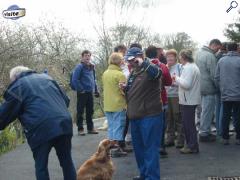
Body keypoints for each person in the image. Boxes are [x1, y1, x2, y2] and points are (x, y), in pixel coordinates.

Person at [0, 66, 76, 180]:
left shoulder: (18, 86)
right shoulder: (47, 78)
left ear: (15, 78)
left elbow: (5, 113)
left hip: (40, 128)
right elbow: (66, 100)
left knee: (41, 166)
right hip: (63, 122)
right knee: (67, 162)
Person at [124, 47, 163, 180]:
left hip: (150, 116)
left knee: (150, 149)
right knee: (139, 150)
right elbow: (133, 91)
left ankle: (152, 177)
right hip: (135, 116)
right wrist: (125, 88)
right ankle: (144, 174)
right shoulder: (133, 72)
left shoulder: (150, 68)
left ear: (139, 56)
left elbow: (158, 74)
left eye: (132, 60)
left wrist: (143, 62)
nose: (130, 63)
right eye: (128, 60)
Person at [145, 45, 172, 157]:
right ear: (157, 54)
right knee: (161, 125)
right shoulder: (162, 66)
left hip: (146, 101)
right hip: (161, 100)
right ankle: (161, 146)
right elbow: (169, 82)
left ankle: (150, 147)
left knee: (147, 125)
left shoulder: (141, 67)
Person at [172, 49, 201, 154]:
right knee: (189, 124)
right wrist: (176, 82)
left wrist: (176, 78)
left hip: (188, 100)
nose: (179, 59)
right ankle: (192, 145)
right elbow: (187, 84)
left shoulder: (188, 68)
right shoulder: (193, 67)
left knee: (188, 125)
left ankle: (191, 146)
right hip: (190, 99)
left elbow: (187, 85)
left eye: (180, 57)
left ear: (183, 57)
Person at [195, 39, 222, 142]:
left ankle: (205, 130)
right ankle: (204, 133)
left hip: (200, 86)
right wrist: (218, 87)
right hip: (209, 87)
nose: (218, 51)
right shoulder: (210, 56)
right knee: (208, 111)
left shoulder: (199, 53)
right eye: (218, 48)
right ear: (214, 46)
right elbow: (214, 75)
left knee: (203, 110)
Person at [102, 53, 128, 157]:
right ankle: (116, 148)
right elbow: (124, 90)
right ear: (119, 61)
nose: (123, 62)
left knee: (111, 126)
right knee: (119, 126)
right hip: (118, 104)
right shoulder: (120, 74)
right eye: (122, 60)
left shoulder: (105, 73)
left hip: (108, 104)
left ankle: (110, 147)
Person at [215, 42, 240, 145]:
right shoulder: (239, 60)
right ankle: (238, 138)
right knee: (237, 116)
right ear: (237, 48)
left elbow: (216, 77)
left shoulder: (221, 61)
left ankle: (225, 138)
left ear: (227, 49)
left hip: (225, 94)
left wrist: (221, 88)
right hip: (238, 94)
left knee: (225, 115)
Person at [72, 50, 99, 136]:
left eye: (89, 56)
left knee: (90, 111)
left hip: (90, 92)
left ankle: (90, 128)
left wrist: (96, 90)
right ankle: (80, 129)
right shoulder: (79, 67)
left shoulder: (92, 67)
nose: (87, 57)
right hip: (82, 93)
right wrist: (81, 89)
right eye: (86, 56)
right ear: (82, 57)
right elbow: (75, 80)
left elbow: (94, 79)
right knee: (80, 111)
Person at [165, 49, 185, 149]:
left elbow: (182, 81)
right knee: (168, 118)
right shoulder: (164, 67)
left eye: (171, 58)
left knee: (178, 117)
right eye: (168, 58)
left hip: (176, 95)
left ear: (175, 58)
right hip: (166, 95)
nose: (169, 60)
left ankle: (181, 140)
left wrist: (173, 83)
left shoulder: (180, 67)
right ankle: (170, 139)